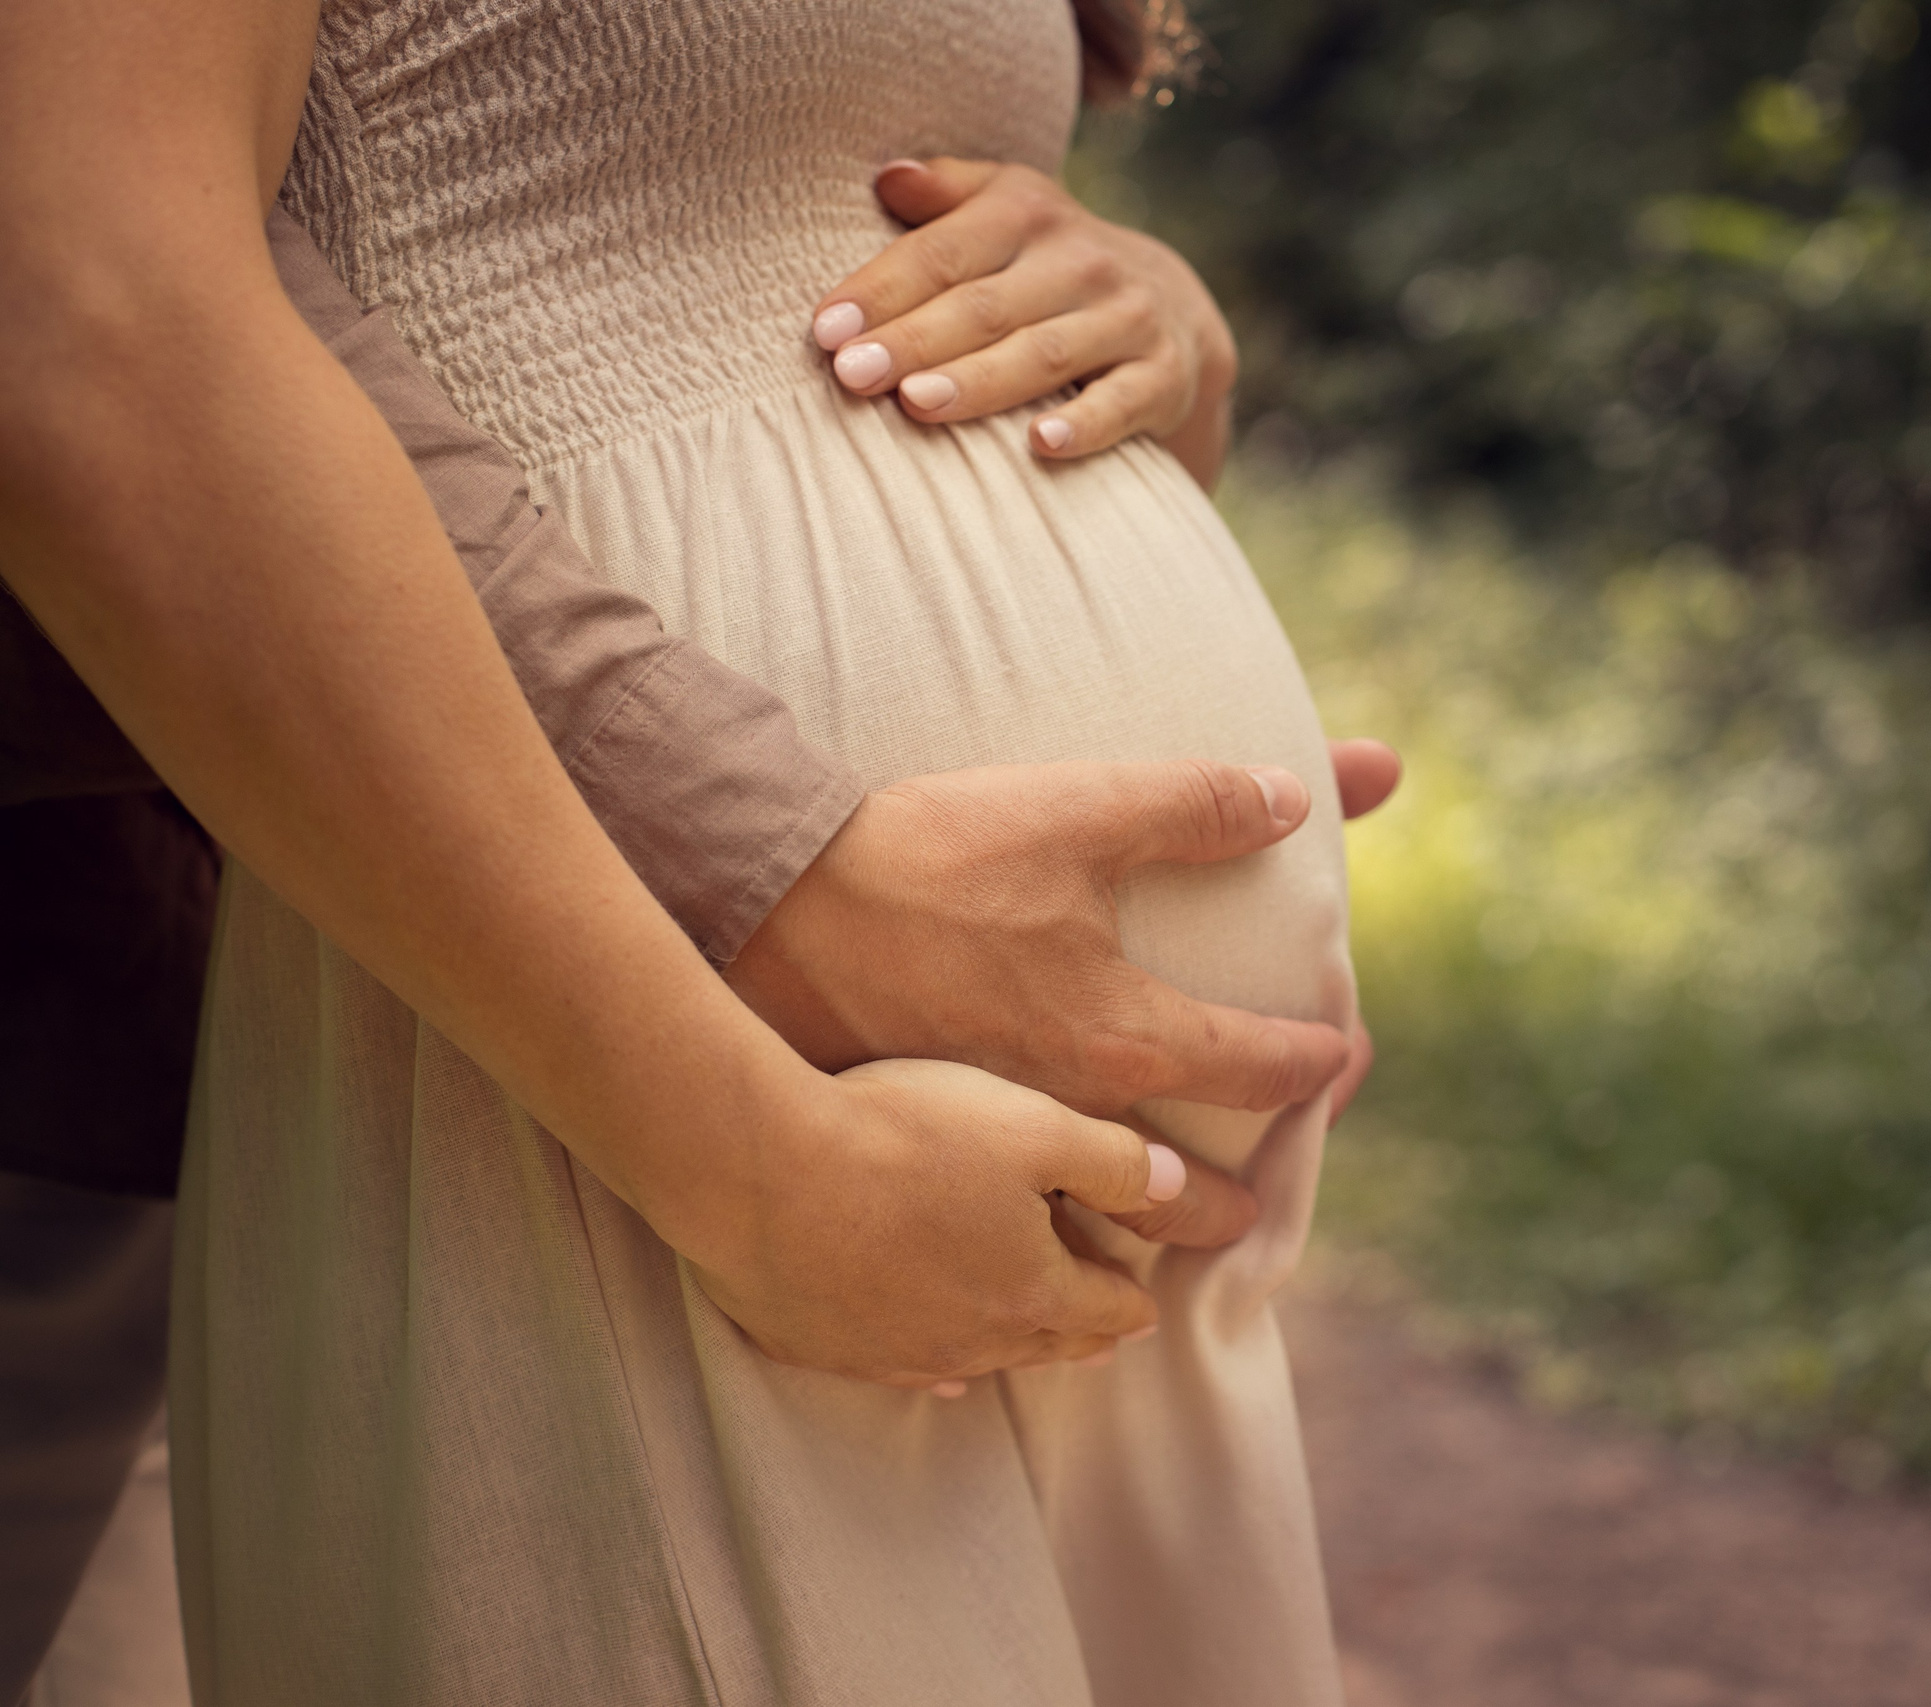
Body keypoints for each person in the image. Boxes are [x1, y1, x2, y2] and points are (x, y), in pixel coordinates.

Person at [3, 0, 1366, 1702]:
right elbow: (88, 300)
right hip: (629, 1099)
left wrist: (1147, 321)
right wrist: (751, 1133)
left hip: (1000, 1229)